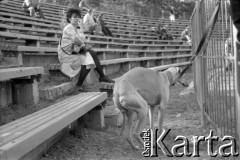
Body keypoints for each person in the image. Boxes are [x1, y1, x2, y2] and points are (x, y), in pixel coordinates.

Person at [58, 8, 114, 91]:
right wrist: (84, 45)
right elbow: (78, 40)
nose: (77, 19)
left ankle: (80, 85)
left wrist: (81, 28)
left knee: (89, 61)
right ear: (69, 19)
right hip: (66, 54)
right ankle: (101, 76)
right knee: (90, 53)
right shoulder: (68, 28)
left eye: (78, 17)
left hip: (73, 51)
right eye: (75, 17)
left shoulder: (75, 29)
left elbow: (81, 40)